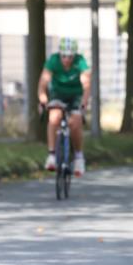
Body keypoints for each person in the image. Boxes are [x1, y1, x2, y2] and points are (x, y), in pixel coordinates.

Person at [37, 37, 90, 177]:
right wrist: (43, 99)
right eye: (64, 56)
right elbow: (43, 82)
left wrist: (84, 101)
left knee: (75, 123)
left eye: (70, 56)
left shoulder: (80, 62)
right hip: (58, 93)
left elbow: (86, 83)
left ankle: (78, 157)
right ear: (60, 54)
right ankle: (52, 155)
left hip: (75, 95)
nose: (67, 59)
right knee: (54, 117)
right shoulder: (53, 61)